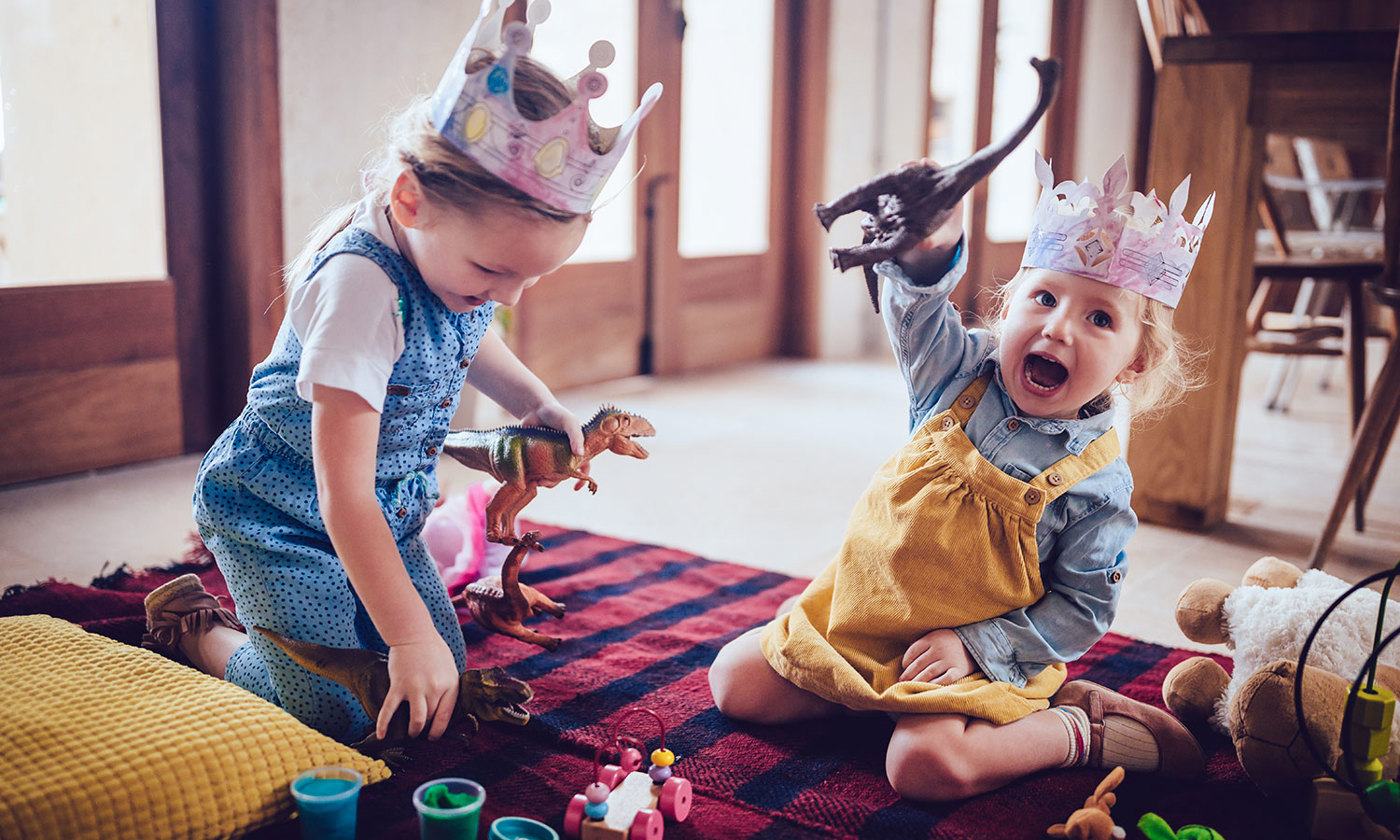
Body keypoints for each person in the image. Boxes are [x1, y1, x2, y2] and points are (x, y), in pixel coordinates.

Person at [140, 0, 660, 745]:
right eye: (492, 271)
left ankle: (358, 632)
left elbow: (470, 334)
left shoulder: (453, 270)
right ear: (410, 201)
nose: (508, 297)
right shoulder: (362, 288)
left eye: (528, 279)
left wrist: (536, 400)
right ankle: (199, 630)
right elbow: (338, 492)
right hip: (280, 516)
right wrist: (404, 637)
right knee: (339, 709)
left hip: (387, 512)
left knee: (435, 675)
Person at [708, 154, 1214, 801]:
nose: (1058, 327)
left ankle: (1073, 728)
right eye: (1045, 297)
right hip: (865, 623)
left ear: (1134, 363)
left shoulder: (1097, 487)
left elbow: (1082, 609)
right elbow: (916, 311)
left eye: (1099, 318)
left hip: (970, 658)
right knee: (734, 681)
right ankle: (866, 697)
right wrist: (932, 242)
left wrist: (976, 648)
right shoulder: (957, 375)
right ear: (1011, 305)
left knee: (925, 769)